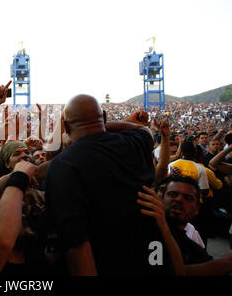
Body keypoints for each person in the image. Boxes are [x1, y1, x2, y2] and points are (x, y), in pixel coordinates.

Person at [46, 94, 174, 276]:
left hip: (105, 264)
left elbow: (76, 245)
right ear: (104, 117)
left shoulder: (63, 165)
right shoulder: (136, 143)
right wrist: (105, 125)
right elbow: (144, 130)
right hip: (149, 260)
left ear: (66, 127)